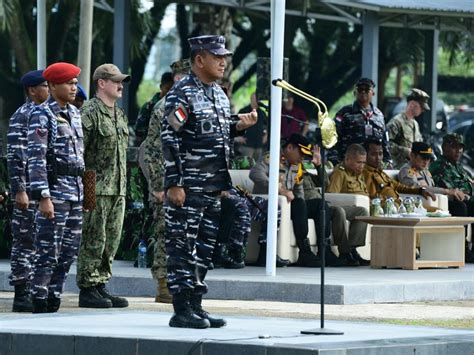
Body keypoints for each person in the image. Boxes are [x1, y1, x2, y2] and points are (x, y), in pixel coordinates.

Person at [161, 35, 257, 329]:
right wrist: (174, 183)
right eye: (217, 56)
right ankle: (181, 310)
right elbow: (169, 138)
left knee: (204, 248)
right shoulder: (182, 93)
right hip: (189, 187)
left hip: (214, 186)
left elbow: (216, 130)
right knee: (182, 247)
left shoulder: (217, 93)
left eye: (224, 55)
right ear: (199, 60)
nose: (223, 61)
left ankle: (196, 306)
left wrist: (237, 124)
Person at [27, 62, 84, 313]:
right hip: (55, 191)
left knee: (69, 251)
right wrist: (43, 196)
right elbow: (36, 158)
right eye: (68, 83)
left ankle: (54, 295)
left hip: (76, 191)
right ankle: (39, 296)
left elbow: (82, 158)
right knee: (49, 250)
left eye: (74, 83)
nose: (74, 88)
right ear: (52, 86)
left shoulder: (74, 113)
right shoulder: (43, 114)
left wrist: (87, 195)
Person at [76, 64, 130, 309]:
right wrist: (84, 191)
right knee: (93, 238)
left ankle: (100, 284)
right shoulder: (89, 112)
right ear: (101, 83)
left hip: (118, 187)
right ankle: (87, 287)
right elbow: (78, 153)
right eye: (115, 81)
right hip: (94, 186)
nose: (120, 86)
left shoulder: (119, 114)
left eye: (121, 81)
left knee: (111, 240)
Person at [140, 58, 190, 304]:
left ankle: (180, 282)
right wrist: (160, 186)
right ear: (180, 79)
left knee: (182, 236)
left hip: (186, 183)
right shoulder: (165, 107)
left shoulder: (188, 104)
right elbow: (153, 150)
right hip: (168, 185)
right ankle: (163, 285)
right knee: (164, 233)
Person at [250, 134, 340, 267]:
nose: (302, 158)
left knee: (319, 205)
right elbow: (255, 174)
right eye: (300, 154)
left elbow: (299, 191)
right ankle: (304, 252)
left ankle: (324, 250)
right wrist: (280, 190)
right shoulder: (272, 157)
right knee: (299, 203)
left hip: (291, 207)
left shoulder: (296, 166)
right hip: (269, 205)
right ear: (290, 148)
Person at [7, 70, 49, 312]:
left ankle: (35, 289)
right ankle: (21, 293)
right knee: (24, 241)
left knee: (40, 241)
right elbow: (16, 157)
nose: (48, 89)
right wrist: (20, 190)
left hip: (41, 190)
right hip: (27, 192)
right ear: (33, 90)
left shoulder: (45, 114)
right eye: (45, 85)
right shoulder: (22, 116)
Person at [429, 134, 474, 262]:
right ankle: (462, 249)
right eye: (454, 147)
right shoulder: (439, 166)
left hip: (465, 199)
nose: (458, 151)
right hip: (447, 203)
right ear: (444, 148)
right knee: (462, 206)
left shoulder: (458, 167)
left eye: (460, 147)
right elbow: (452, 191)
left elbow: (468, 184)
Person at [326, 144, 371, 266]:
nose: (362, 166)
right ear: (347, 160)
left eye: (363, 162)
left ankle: (352, 249)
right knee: (341, 211)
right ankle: (344, 253)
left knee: (363, 212)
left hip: (353, 208)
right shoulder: (340, 173)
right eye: (358, 162)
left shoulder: (359, 175)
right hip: (338, 208)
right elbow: (331, 197)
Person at [329, 78, 391, 166]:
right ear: (355, 93)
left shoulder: (379, 115)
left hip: (372, 165)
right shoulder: (345, 113)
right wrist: (334, 160)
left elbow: (384, 140)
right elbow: (333, 136)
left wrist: (387, 159)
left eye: (366, 89)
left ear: (373, 93)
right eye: (360, 89)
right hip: (351, 164)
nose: (363, 92)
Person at [363, 139, 435, 205]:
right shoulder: (365, 174)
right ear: (365, 155)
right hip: (388, 208)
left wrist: (420, 190)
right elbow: (373, 198)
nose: (378, 158)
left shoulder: (381, 173)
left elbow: (400, 187)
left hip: (398, 205)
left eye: (380, 154)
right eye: (373, 154)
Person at [387, 89, 429, 168]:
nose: (423, 110)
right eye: (421, 107)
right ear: (412, 104)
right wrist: (405, 151)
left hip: (413, 168)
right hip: (399, 169)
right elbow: (386, 144)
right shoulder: (396, 122)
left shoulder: (415, 124)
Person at [135, 72, 174, 146]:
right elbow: (139, 132)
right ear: (161, 87)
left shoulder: (176, 106)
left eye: (173, 89)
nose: (170, 92)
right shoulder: (148, 107)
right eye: (167, 88)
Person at [235, 92, 267, 161]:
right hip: (247, 145)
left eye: (258, 99)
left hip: (259, 146)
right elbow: (235, 125)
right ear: (251, 99)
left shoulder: (262, 113)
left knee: (257, 167)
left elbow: (268, 126)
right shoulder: (243, 111)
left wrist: (266, 136)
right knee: (246, 167)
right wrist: (238, 137)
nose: (257, 100)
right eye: (255, 98)